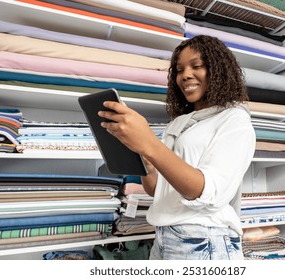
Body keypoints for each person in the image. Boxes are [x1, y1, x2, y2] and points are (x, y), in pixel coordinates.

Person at [98, 35, 256, 260]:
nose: (186, 75)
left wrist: (150, 144)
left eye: (196, 66)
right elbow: (158, 191)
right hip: (163, 237)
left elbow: (205, 192)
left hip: (204, 239)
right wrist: (149, 165)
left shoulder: (234, 120)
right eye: (179, 70)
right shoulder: (179, 124)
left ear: (218, 70)